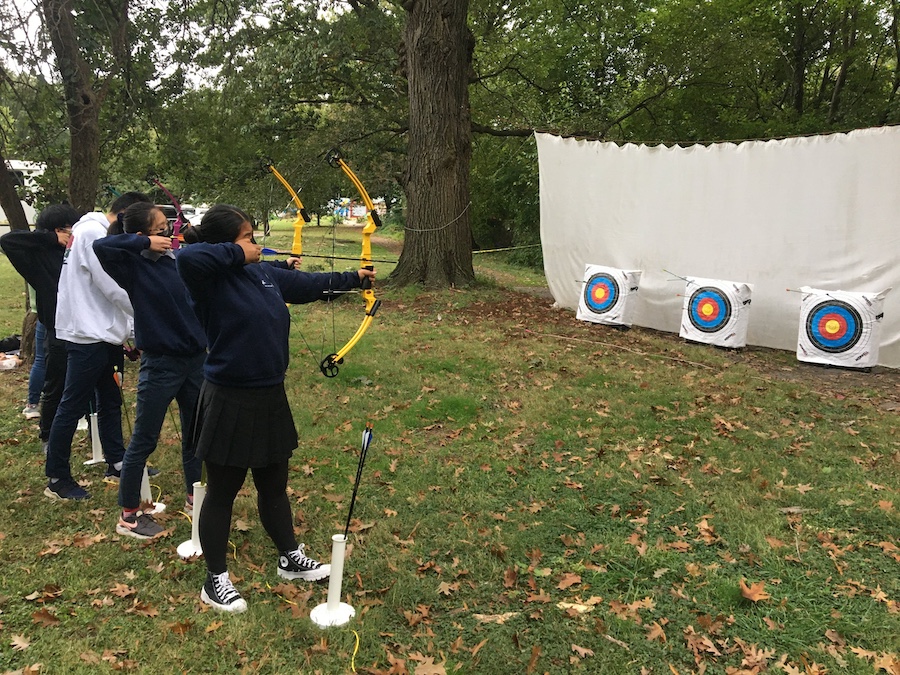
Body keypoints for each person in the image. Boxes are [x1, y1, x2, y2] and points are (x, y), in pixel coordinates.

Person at [176, 204, 373, 613]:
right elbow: (189, 254)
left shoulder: (261, 273)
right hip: (229, 395)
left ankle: (289, 557)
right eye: (247, 237)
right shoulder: (204, 275)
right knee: (223, 492)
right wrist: (238, 252)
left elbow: (305, 284)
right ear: (226, 244)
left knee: (273, 483)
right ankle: (215, 579)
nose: (256, 245)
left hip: (269, 394)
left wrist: (354, 278)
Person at [93, 202, 206, 539]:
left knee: (196, 434)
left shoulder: (176, 261)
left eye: (167, 230)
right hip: (161, 363)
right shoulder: (132, 265)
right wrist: (143, 244)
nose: (168, 235)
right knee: (145, 438)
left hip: (195, 360)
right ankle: (129, 516)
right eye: (160, 231)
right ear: (142, 235)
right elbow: (100, 246)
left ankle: (193, 497)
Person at [44, 192, 151, 501]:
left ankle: (117, 461)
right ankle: (57, 478)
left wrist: (128, 330)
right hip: (87, 333)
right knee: (73, 402)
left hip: (104, 331)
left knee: (110, 398)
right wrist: (145, 321)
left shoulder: (94, 230)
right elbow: (113, 287)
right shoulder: (93, 232)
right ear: (125, 215)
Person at [0, 204, 81, 452]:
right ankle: (48, 435)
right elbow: (8, 240)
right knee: (56, 382)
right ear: (59, 230)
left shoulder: (74, 252)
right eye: (70, 229)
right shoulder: (37, 257)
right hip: (56, 328)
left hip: (83, 327)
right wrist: (50, 238)